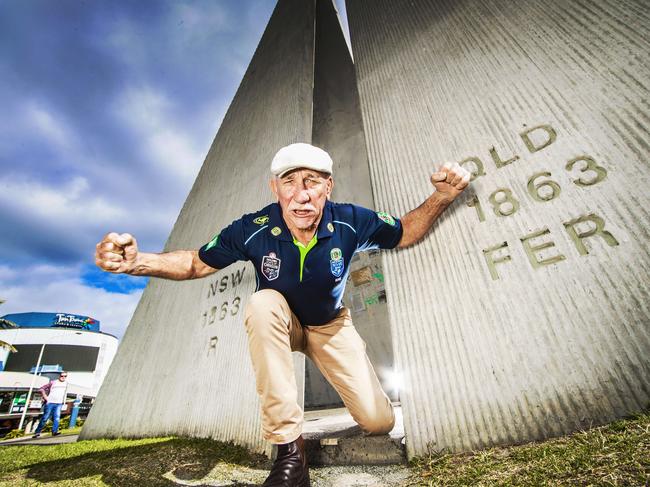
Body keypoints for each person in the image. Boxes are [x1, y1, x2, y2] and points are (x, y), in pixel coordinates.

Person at [95, 143, 470, 486]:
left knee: (378, 422)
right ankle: (290, 452)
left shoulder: (351, 220)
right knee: (262, 303)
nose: (301, 195)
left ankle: (370, 410)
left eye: (312, 182)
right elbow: (195, 262)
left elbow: (403, 231)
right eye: (289, 182)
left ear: (329, 187)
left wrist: (443, 196)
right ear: (274, 189)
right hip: (281, 320)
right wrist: (137, 262)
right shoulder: (252, 229)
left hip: (330, 326)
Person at [32, 371, 68, 438]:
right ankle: (37, 432)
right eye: (62, 376)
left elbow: (65, 393)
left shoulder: (66, 384)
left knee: (57, 417)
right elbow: (41, 389)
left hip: (59, 403)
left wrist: (64, 402)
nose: (63, 377)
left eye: (65, 376)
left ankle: (54, 431)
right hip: (50, 402)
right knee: (45, 417)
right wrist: (46, 398)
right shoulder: (53, 382)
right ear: (59, 376)